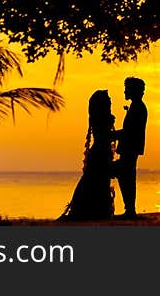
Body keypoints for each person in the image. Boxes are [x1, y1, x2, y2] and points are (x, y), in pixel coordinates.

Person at [59, 90, 115, 221]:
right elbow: (103, 137)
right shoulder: (100, 118)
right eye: (108, 101)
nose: (110, 103)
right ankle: (93, 210)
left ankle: (96, 210)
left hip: (101, 152)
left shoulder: (99, 117)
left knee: (96, 181)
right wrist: (123, 133)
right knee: (94, 180)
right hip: (100, 152)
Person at [114, 77, 147, 218]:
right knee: (125, 176)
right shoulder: (136, 107)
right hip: (130, 148)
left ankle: (130, 210)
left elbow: (130, 131)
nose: (125, 91)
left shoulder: (138, 108)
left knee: (126, 176)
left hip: (130, 148)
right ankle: (129, 209)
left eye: (127, 88)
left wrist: (111, 135)